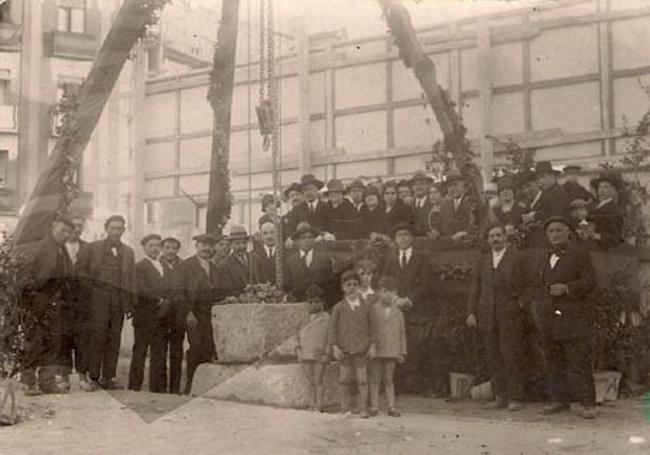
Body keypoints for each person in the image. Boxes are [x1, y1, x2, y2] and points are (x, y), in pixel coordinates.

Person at [514, 216, 597, 419]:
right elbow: (538, 284)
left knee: (578, 361)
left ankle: (588, 404)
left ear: (569, 232)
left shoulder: (579, 254)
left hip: (572, 317)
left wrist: (568, 288)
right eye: (551, 231)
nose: (555, 235)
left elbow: (590, 281)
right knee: (553, 361)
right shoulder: (544, 257)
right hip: (549, 317)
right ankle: (559, 401)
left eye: (559, 230)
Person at [466, 224, 525, 411]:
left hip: (510, 315)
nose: (495, 239)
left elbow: (528, 285)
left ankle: (516, 397)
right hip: (487, 315)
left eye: (498, 235)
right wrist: (471, 312)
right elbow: (475, 289)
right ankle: (500, 396)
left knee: (511, 356)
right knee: (493, 357)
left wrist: (519, 305)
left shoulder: (517, 257)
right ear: (487, 240)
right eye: (491, 236)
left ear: (505, 237)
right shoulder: (482, 260)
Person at [76, 214, 137, 390]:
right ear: (106, 229)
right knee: (97, 337)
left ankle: (108, 377)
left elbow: (131, 278)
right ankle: (93, 376)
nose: (116, 232)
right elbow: (80, 272)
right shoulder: (91, 248)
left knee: (114, 338)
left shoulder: (128, 252)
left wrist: (130, 303)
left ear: (124, 230)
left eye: (119, 228)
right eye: (113, 228)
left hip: (118, 301)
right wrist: (92, 291)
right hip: (97, 301)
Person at [22, 216, 74, 395]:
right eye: (63, 230)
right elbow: (26, 272)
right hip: (39, 300)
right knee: (35, 340)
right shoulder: (40, 246)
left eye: (69, 232)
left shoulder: (62, 250)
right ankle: (28, 382)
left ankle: (47, 381)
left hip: (56, 301)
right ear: (53, 227)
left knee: (54, 342)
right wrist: (32, 294)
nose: (66, 235)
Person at [381, 221, 430, 393]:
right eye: (399, 235)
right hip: (395, 309)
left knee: (414, 344)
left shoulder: (421, 257)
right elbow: (385, 282)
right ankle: (398, 383)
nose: (403, 238)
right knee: (395, 343)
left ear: (412, 238)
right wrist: (394, 298)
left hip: (415, 309)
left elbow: (425, 284)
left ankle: (414, 383)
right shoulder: (391, 258)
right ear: (395, 239)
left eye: (406, 235)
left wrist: (409, 299)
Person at [175, 233, 224, 394]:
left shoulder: (215, 269)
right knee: (195, 348)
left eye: (210, 245)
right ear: (196, 246)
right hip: (193, 315)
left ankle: (201, 386)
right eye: (203, 245)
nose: (206, 248)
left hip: (210, 315)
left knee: (208, 348)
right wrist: (188, 313)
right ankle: (189, 385)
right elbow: (180, 292)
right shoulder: (186, 265)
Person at [329, 270, 376, 418]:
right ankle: (345, 407)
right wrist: (335, 346)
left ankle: (363, 408)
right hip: (344, 350)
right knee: (344, 380)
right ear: (343, 287)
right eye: (348, 285)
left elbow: (374, 327)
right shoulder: (338, 308)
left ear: (360, 287)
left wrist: (373, 345)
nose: (352, 288)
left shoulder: (367, 306)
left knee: (362, 380)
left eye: (355, 284)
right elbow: (332, 329)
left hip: (361, 349)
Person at [129, 234, 167, 392]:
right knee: (140, 351)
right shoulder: (140, 266)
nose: (155, 248)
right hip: (145, 314)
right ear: (144, 247)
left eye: (158, 245)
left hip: (160, 315)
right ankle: (134, 385)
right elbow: (141, 289)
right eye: (151, 245)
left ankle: (157, 387)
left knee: (158, 351)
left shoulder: (162, 265)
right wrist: (161, 298)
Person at [369, 276, 407, 417]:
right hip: (377, 349)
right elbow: (370, 330)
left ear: (395, 293)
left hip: (392, 350)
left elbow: (402, 333)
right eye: (384, 291)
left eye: (391, 291)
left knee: (388, 378)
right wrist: (370, 347)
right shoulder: (372, 310)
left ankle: (391, 406)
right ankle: (374, 406)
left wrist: (402, 351)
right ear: (378, 292)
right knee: (375, 378)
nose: (388, 295)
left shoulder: (398, 313)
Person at [64, 215, 91, 390]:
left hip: (83, 301)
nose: (76, 229)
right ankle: (64, 377)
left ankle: (82, 376)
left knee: (83, 339)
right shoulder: (58, 247)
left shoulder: (88, 248)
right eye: (73, 225)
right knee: (64, 338)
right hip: (63, 300)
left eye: (80, 225)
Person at [296, 284, 330, 412]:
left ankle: (319, 405)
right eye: (310, 302)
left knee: (318, 380)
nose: (314, 305)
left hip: (319, 354)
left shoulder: (327, 318)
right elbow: (296, 336)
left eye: (317, 302)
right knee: (310, 381)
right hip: (306, 353)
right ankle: (311, 403)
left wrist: (327, 353)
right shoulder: (303, 318)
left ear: (323, 302)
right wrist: (298, 351)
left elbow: (329, 337)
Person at [283, 223, 335, 306]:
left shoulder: (324, 259)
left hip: (321, 306)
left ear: (314, 239)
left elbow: (331, 286)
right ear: (297, 241)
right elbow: (287, 288)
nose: (306, 240)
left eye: (309, 237)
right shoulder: (290, 262)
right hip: (299, 306)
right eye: (302, 238)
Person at [158, 236, 185, 394]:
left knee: (177, 351)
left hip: (178, 314)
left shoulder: (183, 266)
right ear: (162, 249)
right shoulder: (157, 264)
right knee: (160, 351)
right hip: (161, 315)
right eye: (167, 247)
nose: (170, 251)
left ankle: (174, 388)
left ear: (177, 250)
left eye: (174, 248)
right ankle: (160, 387)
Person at [522, 161, 570, 249]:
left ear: (553, 176)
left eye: (543, 177)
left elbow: (557, 214)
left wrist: (535, 216)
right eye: (538, 179)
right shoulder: (547, 193)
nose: (540, 181)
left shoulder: (557, 193)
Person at [218, 225, 265, 297]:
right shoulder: (224, 265)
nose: (241, 246)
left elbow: (263, 281)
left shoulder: (256, 259)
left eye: (243, 243)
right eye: (237, 243)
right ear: (231, 245)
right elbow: (227, 290)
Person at [587, 172, 625, 248]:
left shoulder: (614, 210)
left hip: (604, 249)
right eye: (599, 187)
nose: (601, 190)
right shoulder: (592, 206)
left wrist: (596, 235)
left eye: (606, 187)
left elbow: (616, 237)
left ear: (613, 190)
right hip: (589, 245)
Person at [285, 174, 328, 239]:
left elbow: (331, 227)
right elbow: (290, 229)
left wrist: (323, 235)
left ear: (317, 189)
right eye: (305, 190)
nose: (308, 192)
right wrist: (291, 237)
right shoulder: (297, 209)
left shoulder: (326, 207)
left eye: (311, 189)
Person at [438, 171, 473, 241]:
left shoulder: (472, 201)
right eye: (449, 186)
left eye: (455, 184)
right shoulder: (444, 205)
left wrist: (467, 233)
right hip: (449, 246)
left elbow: (479, 224)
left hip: (468, 245)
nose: (452, 188)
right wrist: (437, 232)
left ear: (464, 185)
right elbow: (441, 225)